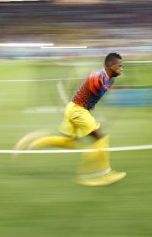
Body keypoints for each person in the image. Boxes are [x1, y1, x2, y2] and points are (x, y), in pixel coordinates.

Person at [14, 52, 125, 186]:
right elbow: (93, 83)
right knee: (101, 138)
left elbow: (103, 86)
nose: (121, 68)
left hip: (74, 109)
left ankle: (34, 141)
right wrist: (82, 80)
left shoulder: (109, 78)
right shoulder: (98, 77)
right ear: (110, 65)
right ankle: (99, 175)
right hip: (78, 111)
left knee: (69, 142)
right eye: (119, 66)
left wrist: (117, 89)